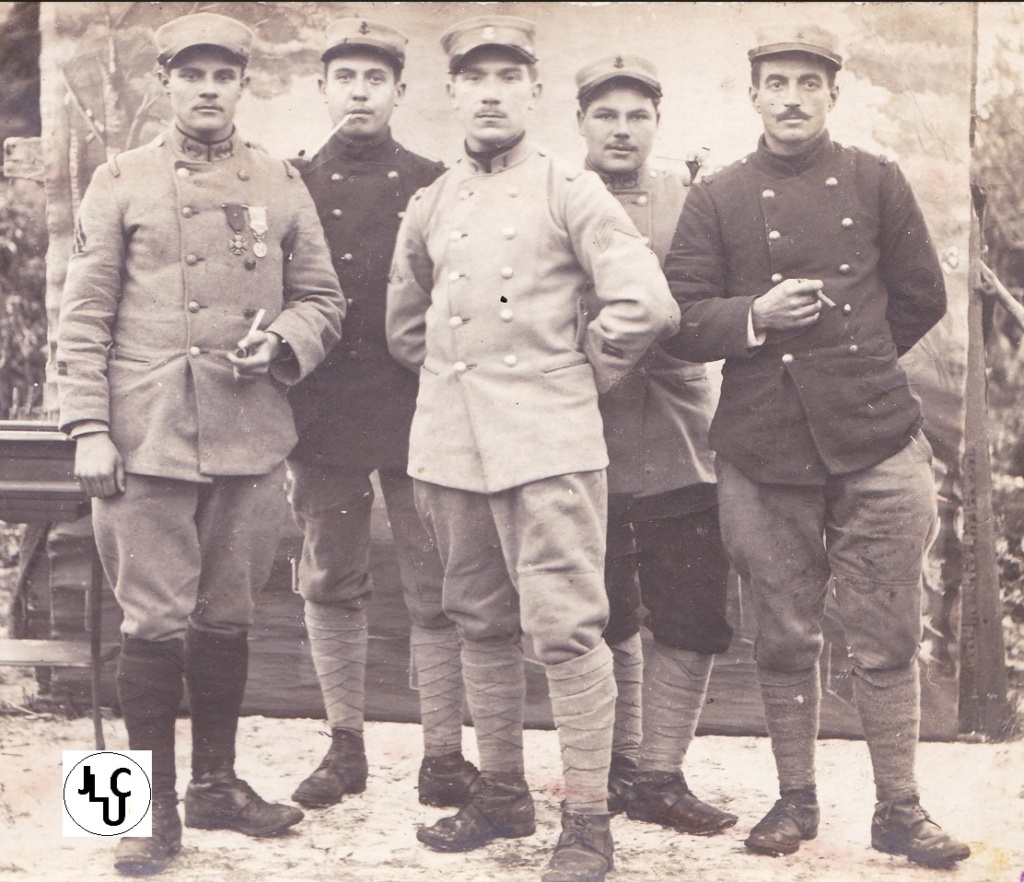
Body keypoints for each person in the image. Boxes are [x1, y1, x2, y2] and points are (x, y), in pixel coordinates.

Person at [662, 23, 970, 868]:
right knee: (786, 635)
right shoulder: (718, 195)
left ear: (834, 93)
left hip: (877, 441)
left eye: (809, 82)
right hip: (764, 451)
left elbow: (920, 297)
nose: (792, 98)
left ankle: (900, 811)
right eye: (776, 82)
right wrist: (756, 320)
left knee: (886, 637)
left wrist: (855, 367)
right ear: (751, 93)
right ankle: (795, 801)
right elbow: (682, 319)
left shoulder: (877, 180)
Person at [386, 16, 679, 882]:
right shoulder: (432, 201)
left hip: (547, 444)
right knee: (476, 618)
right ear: (452, 93)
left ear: (532, 92)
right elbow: (406, 324)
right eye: (473, 77)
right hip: (449, 445)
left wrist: (573, 375)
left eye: (506, 76)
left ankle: (587, 819)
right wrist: (458, 379)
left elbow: (646, 304)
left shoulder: (570, 189)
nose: (487, 92)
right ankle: (504, 792)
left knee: (567, 629)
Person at [55, 12, 345, 877]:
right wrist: (88, 429)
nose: (208, 89)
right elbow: (84, 319)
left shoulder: (279, 181)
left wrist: (286, 341)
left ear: (241, 85)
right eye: (192, 75)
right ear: (166, 83)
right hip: (142, 439)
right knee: (151, 625)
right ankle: (143, 815)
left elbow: (324, 297)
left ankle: (217, 786)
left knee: (228, 618)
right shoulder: (119, 179)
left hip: (250, 437)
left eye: (223, 76)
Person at [285, 17, 478, 812]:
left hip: (417, 407)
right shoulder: (288, 181)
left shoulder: (437, 181)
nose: (359, 92)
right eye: (345, 77)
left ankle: (442, 753)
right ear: (323, 87)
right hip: (323, 411)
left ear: (400, 91)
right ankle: (344, 747)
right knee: (332, 575)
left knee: (436, 583)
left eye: (374, 79)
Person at [573, 54, 736, 834]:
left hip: (680, 438)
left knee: (692, 611)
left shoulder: (694, 200)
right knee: (599, 614)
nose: (622, 130)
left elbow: (712, 307)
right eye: (605, 114)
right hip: (580, 442)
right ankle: (611, 763)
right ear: (580, 123)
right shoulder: (553, 195)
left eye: (638, 115)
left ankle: (661, 773)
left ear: (657, 123)